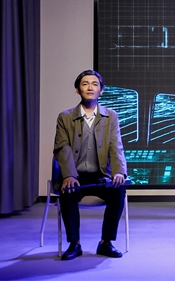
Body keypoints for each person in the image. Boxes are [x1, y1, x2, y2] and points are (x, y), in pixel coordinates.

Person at [53, 70, 128, 261]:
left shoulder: (111, 116)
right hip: (76, 176)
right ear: (77, 90)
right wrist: (69, 175)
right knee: (67, 191)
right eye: (85, 84)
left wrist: (119, 172)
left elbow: (116, 146)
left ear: (101, 90)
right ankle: (74, 244)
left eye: (95, 84)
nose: (90, 87)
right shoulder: (65, 117)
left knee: (118, 191)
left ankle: (106, 242)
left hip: (101, 176)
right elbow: (62, 147)